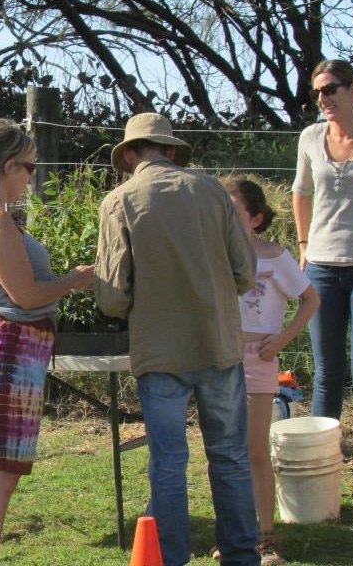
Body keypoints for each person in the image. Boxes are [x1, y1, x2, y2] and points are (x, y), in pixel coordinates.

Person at [94, 112, 260, 566]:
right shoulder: (211, 191)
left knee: (168, 462)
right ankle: (242, 555)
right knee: (229, 457)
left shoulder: (119, 201)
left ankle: (170, 557)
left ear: (130, 154)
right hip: (218, 344)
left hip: (160, 353)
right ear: (170, 150)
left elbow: (111, 297)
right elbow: (245, 273)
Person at [0, 118, 94, 566]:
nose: (32, 177)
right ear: (9, 164)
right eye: (29, 167)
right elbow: (27, 294)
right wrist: (74, 281)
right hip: (5, 350)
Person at [225, 178, 319, 565]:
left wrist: (282, 341)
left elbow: (311, 299)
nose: (224, 219)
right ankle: (235, 535)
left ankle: (266, 536)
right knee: (224, 452)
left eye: (233, 212)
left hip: (258, 360)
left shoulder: (276, 257)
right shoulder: (216, 255)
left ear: (256, 217)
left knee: (255, 449)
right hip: (220, 358)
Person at [292, 59, 353, 469]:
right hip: (320, 265)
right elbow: (300, 191)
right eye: (317, 92)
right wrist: (304, 244)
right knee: (327, 370)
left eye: (331, 89)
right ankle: (321, 461)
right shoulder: (310, 137)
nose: (323, 99)